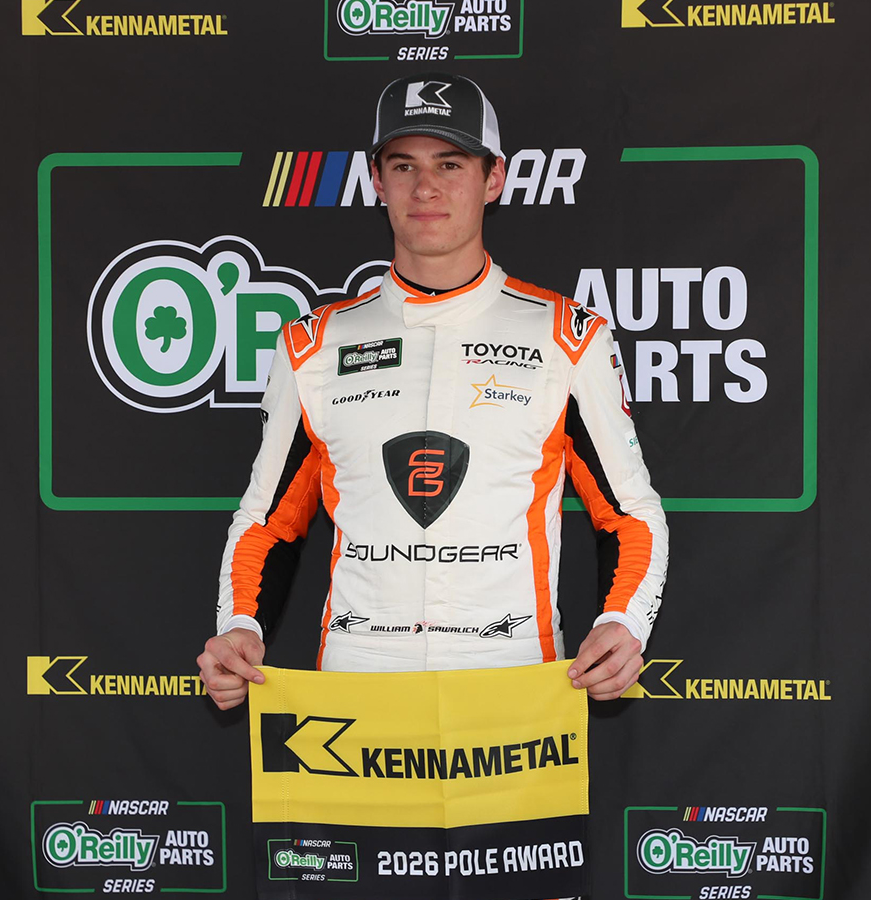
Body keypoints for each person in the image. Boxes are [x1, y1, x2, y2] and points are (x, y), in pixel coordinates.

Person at [196, 72, 667, 707]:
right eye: (403, 165)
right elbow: (267, 521)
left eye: (450, 162)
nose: (426, 187)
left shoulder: (569, 337)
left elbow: (631, 514)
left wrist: (624, 622)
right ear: (376, 180)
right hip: (358, 690)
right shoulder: (311, 344)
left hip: (517, 685)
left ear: (493, 178)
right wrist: (239, 627)